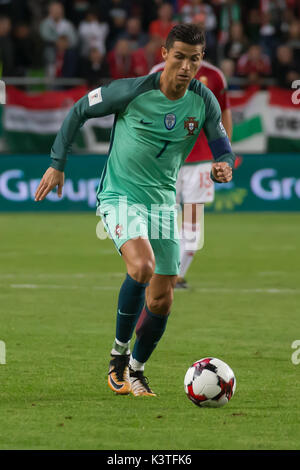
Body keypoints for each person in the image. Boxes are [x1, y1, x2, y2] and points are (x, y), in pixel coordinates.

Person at [34, 24, 235, 397]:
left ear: (201, 60)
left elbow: (221, 144)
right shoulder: (132, 90)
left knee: (163, 297)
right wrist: (57, 162)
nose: (186, 67)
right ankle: (117, 358)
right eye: (179, 57)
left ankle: (138, 370)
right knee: (141, 267)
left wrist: (224, 164)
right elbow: (80, 109)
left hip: (162, 202)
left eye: (194, 59)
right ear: (164, 55)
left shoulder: (203, 100)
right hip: (120, 195)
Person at [149, 52, 232, 289]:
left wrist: (224, 154)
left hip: (202, 162)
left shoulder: (215, 76)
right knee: (161, 217)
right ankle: (162, 271)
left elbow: (224, 113)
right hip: (166, 161)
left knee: (192, 220)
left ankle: (177, 274)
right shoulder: (157, 72)